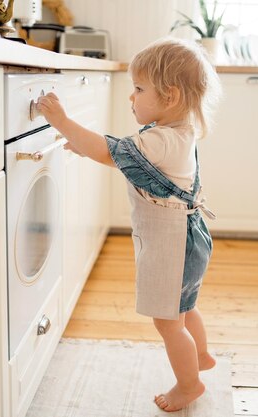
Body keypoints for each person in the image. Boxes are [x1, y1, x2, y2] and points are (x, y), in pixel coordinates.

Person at [37, 37, 221, 412]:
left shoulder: (159, 139)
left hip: (171, 245)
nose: (131, 97)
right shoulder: (179, 133)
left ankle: (189, 385)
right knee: (185, 307)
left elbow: (111, 151)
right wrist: (85, 145)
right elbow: (130, 163)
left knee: (168, 323)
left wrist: (62, 122)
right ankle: (199, 354)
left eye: (138, 89)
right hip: (190, 238)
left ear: (169, 96)